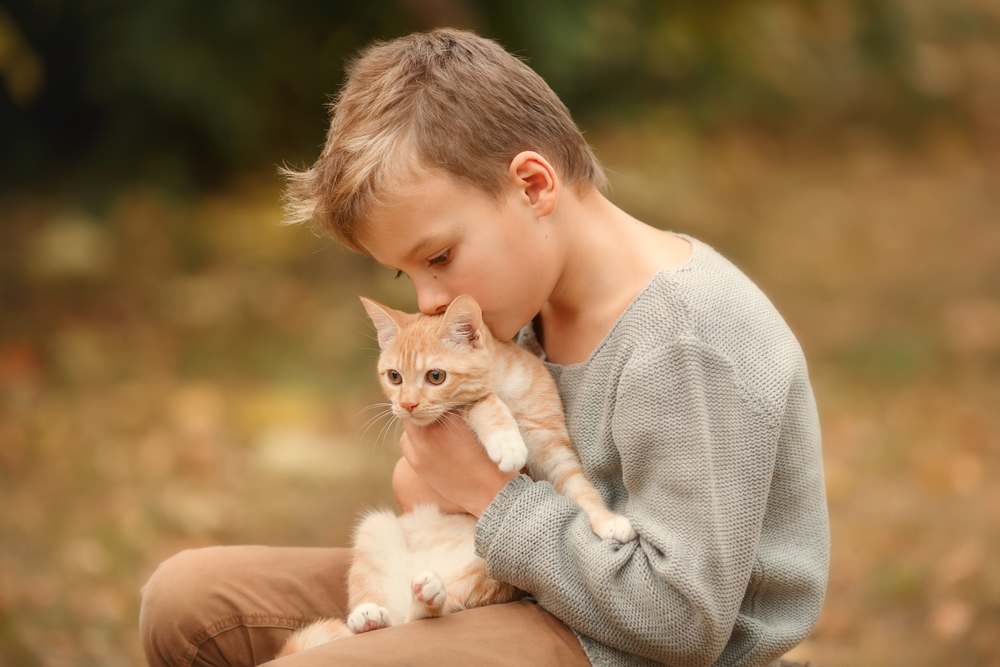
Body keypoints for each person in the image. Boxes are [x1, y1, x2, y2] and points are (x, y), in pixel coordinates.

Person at [139, 28, 829, 667]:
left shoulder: (686, 340)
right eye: (404, 274)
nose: (428, 301)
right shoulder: (519, 312)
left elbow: (685, 619)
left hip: (628, 645)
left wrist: (490, 495)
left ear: (533, 185)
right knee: (184, 601)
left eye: (438, 255)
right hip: (504, 582)